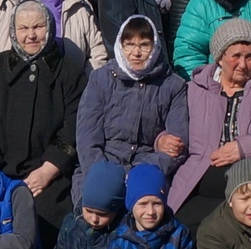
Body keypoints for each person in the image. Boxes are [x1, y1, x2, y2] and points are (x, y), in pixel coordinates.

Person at [0, 0, 91, 231]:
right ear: (13, 30)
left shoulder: (70, 73)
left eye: (38, 27)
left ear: (50, 27)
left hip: (53, 176)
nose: (31, 35)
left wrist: (48, 169)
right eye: (23, 28)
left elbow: (76, 125)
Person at [170, 16, 251, 230]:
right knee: (182, 224)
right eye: (236, 56)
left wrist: (244, 148)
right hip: (205, 173)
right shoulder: (195, 90)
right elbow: (172, 126)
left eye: (250, 57)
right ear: (220, 57)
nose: (243, 64)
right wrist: (162, 140)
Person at [75, 13, 189, 181]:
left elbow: (178, 144)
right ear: (120, 46)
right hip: (103, 164)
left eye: (144, 45)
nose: (136, 52)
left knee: (147, 203)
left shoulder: (172, 85)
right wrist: (101, 173)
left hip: (148, 165)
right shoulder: (100, 79)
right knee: (98, 198)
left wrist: (139, 172)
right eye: (129, 45)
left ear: (155, 46)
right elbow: (87, 137)